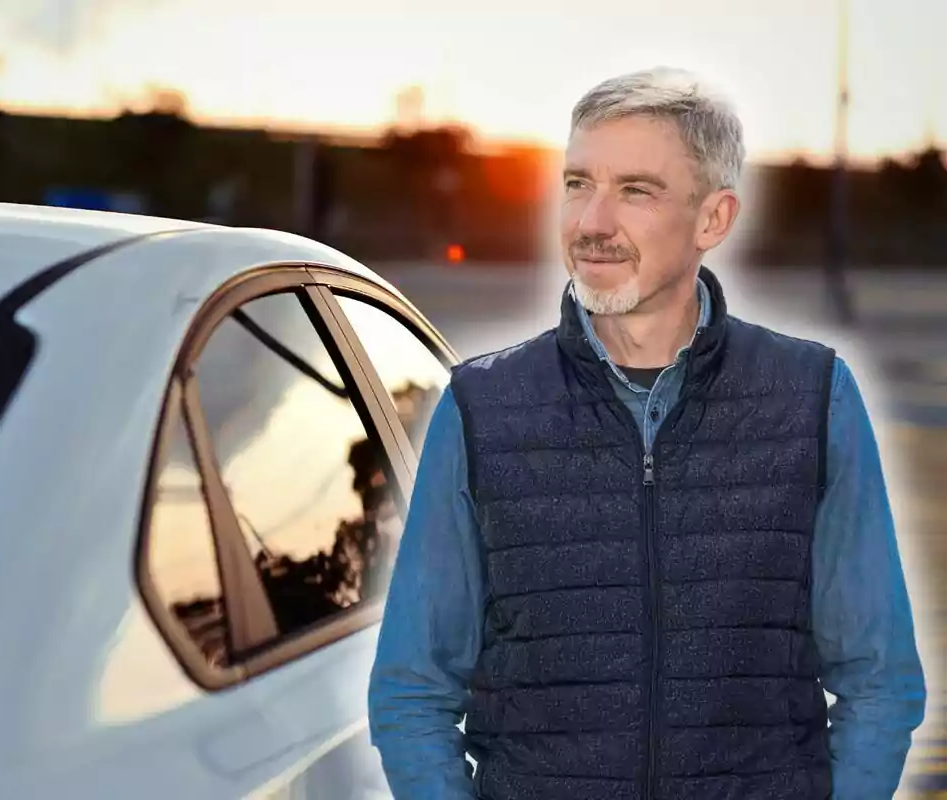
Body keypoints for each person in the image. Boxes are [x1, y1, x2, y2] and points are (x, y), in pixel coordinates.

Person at [367, 66, 927, 800]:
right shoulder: (481, 407)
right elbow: (413, 691)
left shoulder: (813, 397)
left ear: (713, 220)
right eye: (576, 183)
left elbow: (880, 680)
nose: (592, 222)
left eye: (635, 190)